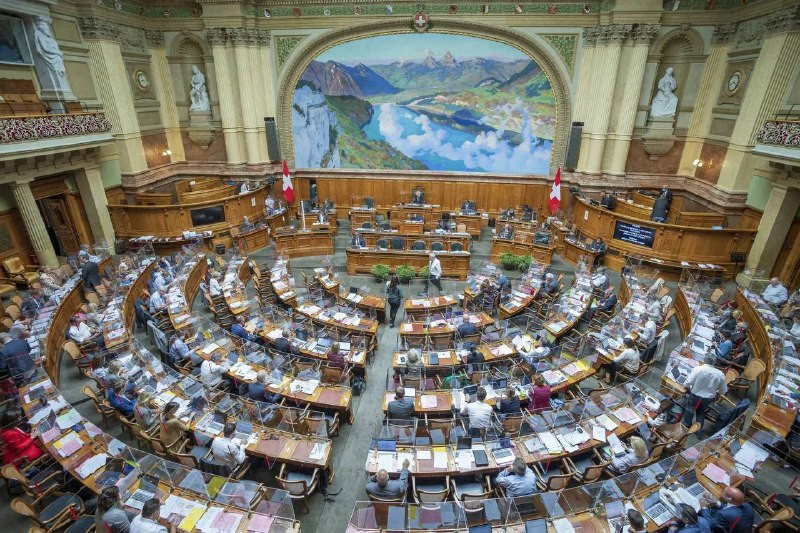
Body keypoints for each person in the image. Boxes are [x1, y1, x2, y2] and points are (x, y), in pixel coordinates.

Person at [681, 354, 727, 431]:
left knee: (690, 409)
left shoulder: (698, 369)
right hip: (708, 398)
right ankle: (699, 430)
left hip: (695, 394)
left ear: (704, 360)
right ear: (715, 362)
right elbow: (723, 390)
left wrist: (687, 387)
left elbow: (688, 382)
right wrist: (718, 394)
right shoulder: (720, 374)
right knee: (701, 412)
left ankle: (686, 425)